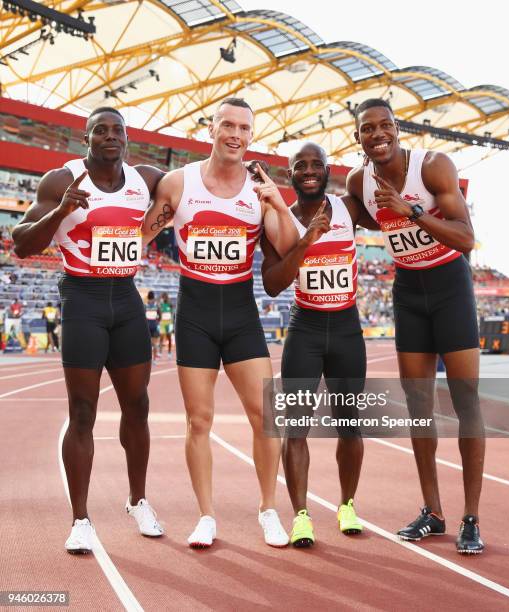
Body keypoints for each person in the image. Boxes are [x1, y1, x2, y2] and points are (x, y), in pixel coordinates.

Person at [143, 97, 298, 548]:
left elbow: (288, 248)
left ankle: (269, 509)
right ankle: (206, 516)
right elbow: (141, 236)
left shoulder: (260, 187)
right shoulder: (179, 182)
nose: (236, 134)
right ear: (211, 129)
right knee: (199, 421)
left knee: (267, 416)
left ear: (251, 136)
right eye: (227, 125)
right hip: (194, 314)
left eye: (244, 128)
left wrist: (280, 205)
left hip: (240, 313)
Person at [12, 107, 165, 554]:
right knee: (82, 412)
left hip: (128, 299)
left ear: (127, 139)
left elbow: (191, 188)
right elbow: (22, 244)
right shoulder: (63, 180)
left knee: (137, 406)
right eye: (101, 130)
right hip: (83, 300)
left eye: (118, 130)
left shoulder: (146, 179)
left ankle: (138, 501)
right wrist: (59, 212)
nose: (111, 136)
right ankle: (80, 519)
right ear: (87, 139)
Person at [347, 98, 484, 554]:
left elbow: (465, 238)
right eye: (369, 129)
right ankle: (434, 511)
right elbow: (361, 215)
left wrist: (412, 212)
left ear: (398, 130)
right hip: (408, 290)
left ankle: (471, 518)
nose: (378, 134)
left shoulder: (433, 167)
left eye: (386, 126)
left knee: (466, 401)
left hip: (450, 287)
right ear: (359, 137)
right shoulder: (357, 181)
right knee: (418, 404)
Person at [261, 142, 378, 546]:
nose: (309, 171)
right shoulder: (279, 220)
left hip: (346, 329)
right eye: (300, 166)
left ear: (328, 171)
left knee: (350, 426)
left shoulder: (350, 208)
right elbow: (273, 283)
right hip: (305, 330)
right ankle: (301, 515)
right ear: (290, 174)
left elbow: (386, 210)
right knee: (296, 429)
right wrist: (306, 240)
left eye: (316, 164)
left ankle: (347, 504)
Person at [145, 290, 160, 364]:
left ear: (148, 297)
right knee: (154, 343)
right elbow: (159, 315)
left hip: (147, 326)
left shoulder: (145, 305)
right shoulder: (156, 305)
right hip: (154, 325)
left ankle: (148, 360)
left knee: (147, 344)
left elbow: (142, 316)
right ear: (153, 297)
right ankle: (154, 360)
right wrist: (157, 322)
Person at [159, 292, 174, 359]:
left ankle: (169, 353)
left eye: (165, 297)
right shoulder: (160, 305)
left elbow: (172, 313)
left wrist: (172, 322)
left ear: (167, 297)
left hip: (169, 322)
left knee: (169, 337)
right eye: (163, 297)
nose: (164, 298)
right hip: (162, 322)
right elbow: (159, 313)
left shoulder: (170, 304)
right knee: (161, 337)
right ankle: (160, 352)